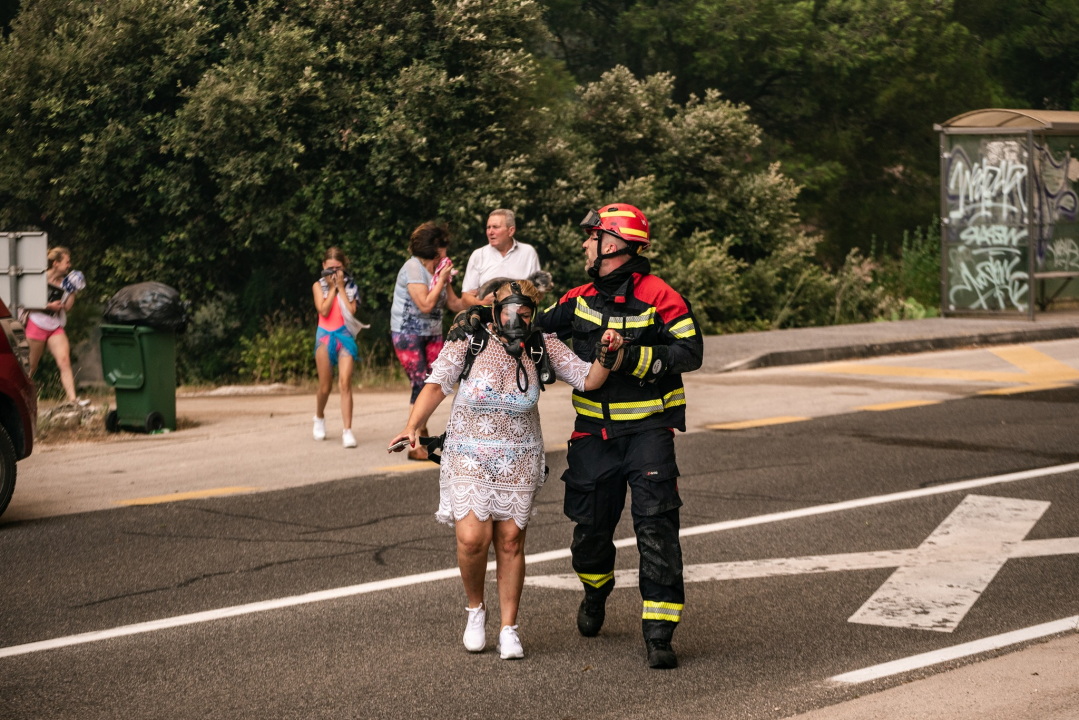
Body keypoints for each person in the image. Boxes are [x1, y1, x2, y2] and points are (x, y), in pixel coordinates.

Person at [387, 279, 623, 660]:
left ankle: (509, 628)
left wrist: (607, 354)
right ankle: (475, 610)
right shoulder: (470, 338)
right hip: (468, 453)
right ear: (495, 310)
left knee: (511, 542)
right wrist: (413, 425)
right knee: (471, 539)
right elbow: (436, 384)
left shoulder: (540, 344)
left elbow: (587, 378)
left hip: (518, 457)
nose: (518, 318)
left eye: (526, 313)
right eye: (511, 311)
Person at [533, 204, 704, 669]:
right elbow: (533, 328)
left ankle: (659, 632)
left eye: (592, 238)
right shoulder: (579, 296)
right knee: (589, 532)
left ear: (612, 244)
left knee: (656, 528)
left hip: (649, 431)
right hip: (593, 435)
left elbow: (690, 352)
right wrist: (486, 319)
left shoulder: (662, 296)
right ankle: (595, 591)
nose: (585, 245)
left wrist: (630, 358)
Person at [390, 222, 466, 459]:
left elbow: (455, 304)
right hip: (408, 333)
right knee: (420, 384)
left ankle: (420, 434)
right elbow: (425, 304)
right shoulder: (413, 268)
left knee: (435, 384)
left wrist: (487, 302)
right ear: (434, 247)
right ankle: (415, 445)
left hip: (432, 334)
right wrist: (442, 278)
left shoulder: (440, 270)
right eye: (443, 247)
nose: (446, 252)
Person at [312, 247, 361, 448]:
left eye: (338, 268)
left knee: (345, 383)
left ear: (344, 267)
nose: (334, 272)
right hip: (324, 337)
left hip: (345, 337)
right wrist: (332, 288)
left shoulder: (350, 287)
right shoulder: (318, 286)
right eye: (330, 268)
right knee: (325, 386)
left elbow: (351, 310)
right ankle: (319, 417)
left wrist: (341, 287)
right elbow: (323, 309)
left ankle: (347, 431)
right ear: (323, 266)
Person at [26, 247, 86, 404]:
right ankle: (20, 397)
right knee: (31, 367)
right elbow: (26, 302)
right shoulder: (39, 278)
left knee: (64, 361)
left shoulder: (65, 283)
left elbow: (67, 307)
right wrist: (49, 306)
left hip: (55, 326)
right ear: (55, 263)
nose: (69, 265)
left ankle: (73, 400)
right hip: (37, 323)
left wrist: (73, 290)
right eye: (67, 262)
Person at [459, 209, 541, 308]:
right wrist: (483, 303)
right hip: (487, 320)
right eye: (488, 227)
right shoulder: (478, 255)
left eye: (495, 227)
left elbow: (538, 294)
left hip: (519, 317)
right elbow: (465, 299)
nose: (490, 232)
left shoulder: (528, 252)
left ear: (511, 231)